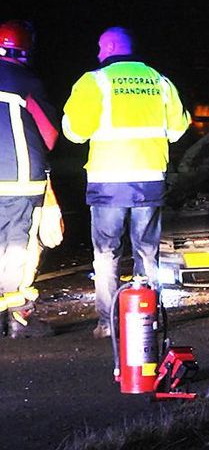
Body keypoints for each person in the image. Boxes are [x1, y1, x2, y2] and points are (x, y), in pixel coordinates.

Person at [62, 27, 190, 338]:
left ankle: (108, 323)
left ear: (108, 48)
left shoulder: (94, 81)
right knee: (147, 251)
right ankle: (147, 317)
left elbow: (74, 132)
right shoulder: (160, 82)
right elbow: (178, 128)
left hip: (109, 180)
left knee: (106, 253)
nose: (97, 54)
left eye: (99, 48)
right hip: (149, 179)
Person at [0, 20, 64, 338]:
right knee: (19, 248)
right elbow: (49, 135)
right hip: (19, 178)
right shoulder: (25, 80)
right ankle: (19, 317)